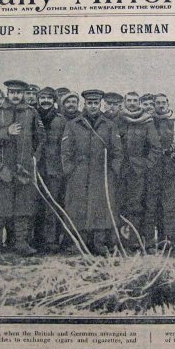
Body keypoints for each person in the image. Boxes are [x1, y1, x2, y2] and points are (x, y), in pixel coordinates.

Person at [0, 80, 45, 257]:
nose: (15, 95)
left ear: (24, 94)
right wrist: (6, 132)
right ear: (7, 93)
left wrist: (33, 160)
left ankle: (21, 243)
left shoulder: (32, 113)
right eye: (12, 92)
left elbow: (41, 139)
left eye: (19, 92)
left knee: (23, 207)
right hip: (0, 168)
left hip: (23, 169)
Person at [61, 89, 123, 255]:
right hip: (79, 174)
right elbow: (66, 151)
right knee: (78, 207)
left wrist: (112, 172)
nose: (93, 106)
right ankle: (80, 243)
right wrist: (70, 170)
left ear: (100, 104)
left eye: (96, 103)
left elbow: (117, 152)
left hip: (101, 174)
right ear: (85, 104)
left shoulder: (109, 125)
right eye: (90, 103)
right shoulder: (73, 124)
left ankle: (98, 243)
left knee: (100, 208)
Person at [117, 91, 162, 248]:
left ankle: (135, 240)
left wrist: (146, 165)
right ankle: (120, 239)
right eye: (129, 100)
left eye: (135, 100)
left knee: (136, 204)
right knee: (120, 203)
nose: (132, 103)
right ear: (124, 102)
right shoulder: (119, 120)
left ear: (139, 103)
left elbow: (156, 148)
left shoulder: (147, 122)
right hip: (120, 169)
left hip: (138, 171)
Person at [145, 93, 175, 249]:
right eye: (158, 103)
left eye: (163, 102)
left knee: (169, 204)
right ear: (154, 104)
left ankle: (166, 238)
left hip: (171, 167)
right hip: (153, 167)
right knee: (151, 203)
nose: (161, 105)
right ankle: (149, 239)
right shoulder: (149, 121)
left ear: (168, 104)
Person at [33, 87, 67, 252]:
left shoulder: (60, 120)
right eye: (42, 98)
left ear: (54, 101)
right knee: (35, 204)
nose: (45, 101)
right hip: (36, 167)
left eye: (48, 98)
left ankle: (51, 240)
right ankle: (36, 239)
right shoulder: (33, 117)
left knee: (52, 204)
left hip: (54, 169)